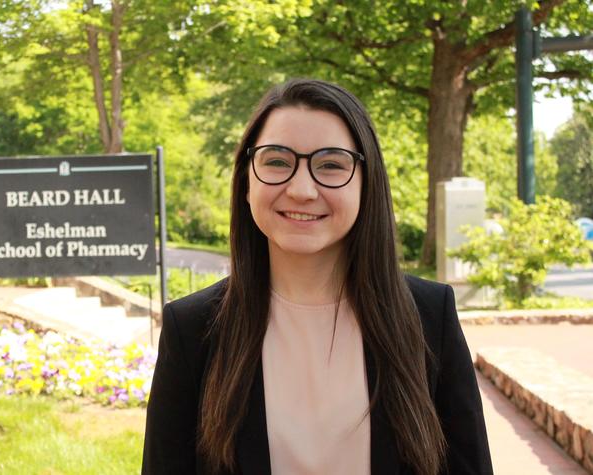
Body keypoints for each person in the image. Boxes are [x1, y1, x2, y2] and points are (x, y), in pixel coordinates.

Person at [142, 79, 493, 475]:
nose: (302, 189)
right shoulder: (191, 329)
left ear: (367, 182)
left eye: (331, 165)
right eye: (277, 161)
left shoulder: (429, 317)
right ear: (246, 180)